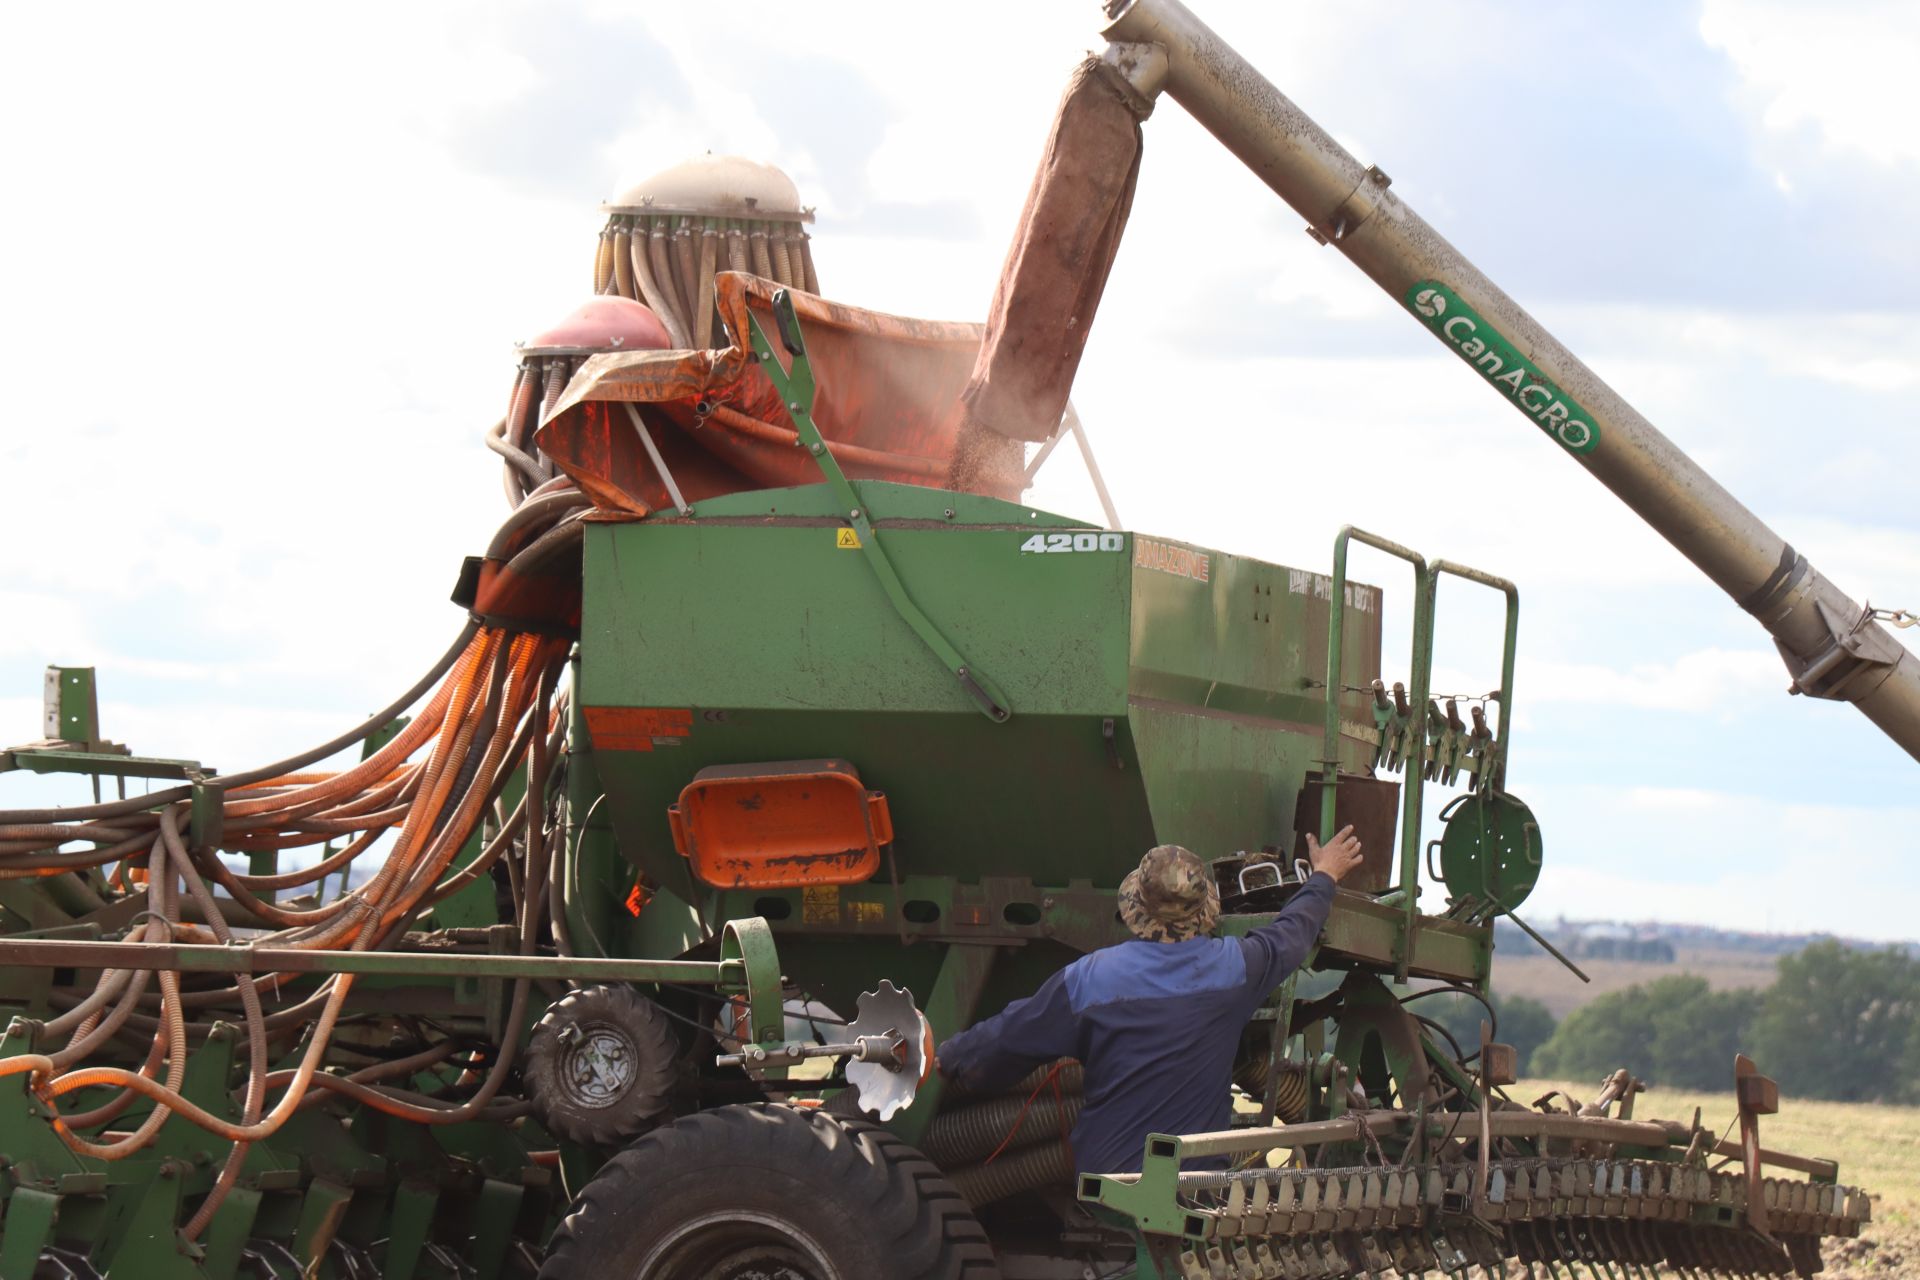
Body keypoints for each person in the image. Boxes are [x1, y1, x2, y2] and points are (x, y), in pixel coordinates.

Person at [935, 826, 1365, 1176]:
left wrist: (947, 1056)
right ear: (1204, 910)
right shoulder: (1236, 969)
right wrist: (1324, 876)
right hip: (1193, 1189)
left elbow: (1008, 1038)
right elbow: (1292, 932)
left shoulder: (1088, 979)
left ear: (1136, 908)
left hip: (1109, 1186)